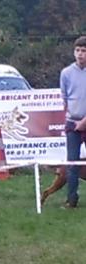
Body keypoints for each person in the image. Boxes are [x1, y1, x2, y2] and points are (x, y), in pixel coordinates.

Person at [60, 36, 86, 208]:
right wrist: (71, 119)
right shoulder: (66, 73)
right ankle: (71, 200)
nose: (80, 54)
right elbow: (64, 98)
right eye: (77, 50)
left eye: (84, 51)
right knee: (72, 162)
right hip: (72, 123)